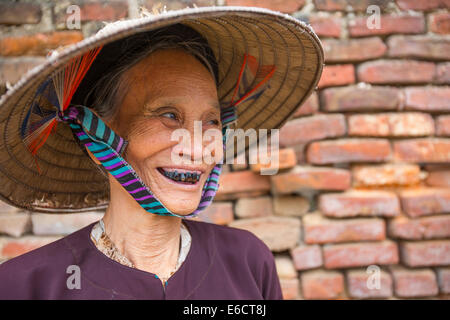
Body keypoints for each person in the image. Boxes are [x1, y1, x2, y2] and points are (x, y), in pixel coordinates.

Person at [0, 7, 323, 299]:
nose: (198, 149)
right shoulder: (26, 286)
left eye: (211, 121)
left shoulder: (248, 261)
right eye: (168, 116)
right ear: (95, 135)